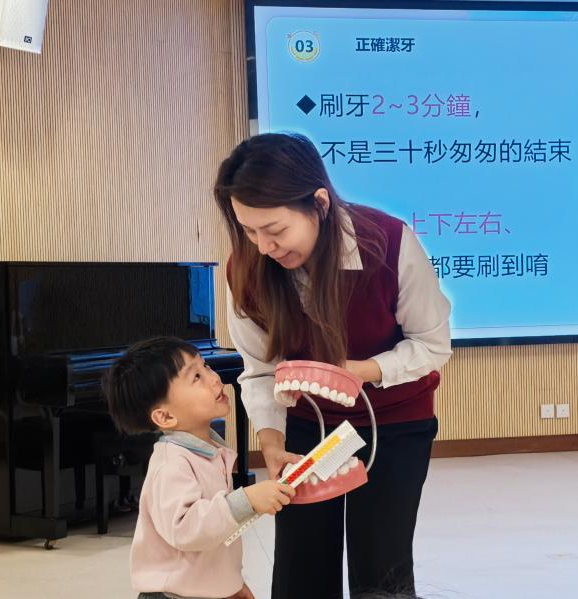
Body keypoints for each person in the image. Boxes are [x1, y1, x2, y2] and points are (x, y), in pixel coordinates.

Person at [214, 132, 452, 599]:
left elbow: (431, 344)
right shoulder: (245, 269)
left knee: (381, 566)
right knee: (300, 566)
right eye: (249, 231)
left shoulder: (388, 242)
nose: (264, 246)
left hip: (394, 422)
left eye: (276, 230)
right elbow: (260, 370)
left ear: (319, 203)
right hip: (307, 426)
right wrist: (272, 443)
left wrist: (359, 371)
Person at [103, 336, 295, 599]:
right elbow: (186, 529)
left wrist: (230, 585)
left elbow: (215, 536)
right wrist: (246, 500)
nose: (214, 378)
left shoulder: (208, 451)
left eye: (205, 366)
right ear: (165, 416)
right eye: (196, 377)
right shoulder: (172, 464)